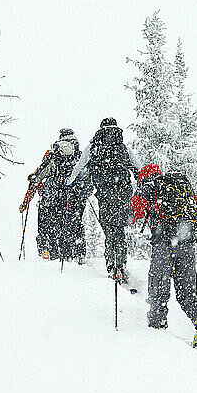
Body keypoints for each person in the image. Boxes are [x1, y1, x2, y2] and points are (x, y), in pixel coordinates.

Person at [129, 163, 197, 347]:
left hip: (163, 246)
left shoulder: (148, 188)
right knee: (187, 292)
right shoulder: (180, 189)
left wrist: (122, 218)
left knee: (158, 291)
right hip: (186, 244)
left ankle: (157, 334)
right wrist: (194, 227)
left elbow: (132, 213)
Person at [67, 118, 138, 281]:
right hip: (123, 192)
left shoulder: (93, 146)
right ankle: (120, 264)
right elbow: (137, 167)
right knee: (119, 229)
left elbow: (79, 166)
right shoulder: (122, 147)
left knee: (109, 229)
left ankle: (111, 266)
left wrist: (70, 182)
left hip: (105, 193)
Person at [20, 129, 90, 262]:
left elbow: (38, 176)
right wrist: (84, 194)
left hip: (53, 196)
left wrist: (26, 200)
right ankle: (77, 252)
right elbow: (87, 177)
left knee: (49, 224)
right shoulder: (80, 155)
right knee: (74, 223)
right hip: (74, 197)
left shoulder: (53, 154)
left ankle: (48, 249)